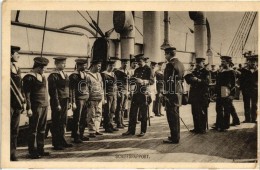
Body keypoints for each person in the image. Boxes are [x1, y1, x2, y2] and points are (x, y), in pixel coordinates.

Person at [23, 56, 50, 159]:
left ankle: (40, 149)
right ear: (39, 68)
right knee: (33, 129)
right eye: (44, 68)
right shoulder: (29, 78)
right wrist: (28, 108)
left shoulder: (42, 77)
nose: (45, 70)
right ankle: (32, 151)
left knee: (42, 128)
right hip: (35, 106)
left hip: (44, 105)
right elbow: (27, 95)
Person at [122, 54, 154, 137]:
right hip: (136, 93)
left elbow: (151, 81)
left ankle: (143, 131)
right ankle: (131, 130)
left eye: (139, 61)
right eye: (137, 61)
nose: (138, 63)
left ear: (143, 60)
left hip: (144, 93)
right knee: (132, 112)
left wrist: (143, 81)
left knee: (143, 113)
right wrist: (131, 80)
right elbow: (133, 81)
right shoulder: (137, 70)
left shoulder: (148, 69)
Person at [48, 57, 73, 150]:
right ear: (56, 64)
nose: (65, 65)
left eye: (65, 63)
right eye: (62, 63)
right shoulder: (53, 76)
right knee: (57, 122)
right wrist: (57, 103)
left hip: (65, 100)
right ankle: (56, 143)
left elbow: (68, 88)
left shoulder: (65, 74)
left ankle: (62, 140)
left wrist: (70, 101)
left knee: (63, 122)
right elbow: (53, 92)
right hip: (57, 101)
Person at [162, 47, 185, 144]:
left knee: (171, 116)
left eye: (165, 54)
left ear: (168, 54)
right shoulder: (180, 64)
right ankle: (176, 136)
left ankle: (174, 138)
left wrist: (166, 93)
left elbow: (169, 81)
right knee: (176, 114)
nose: (165, 56)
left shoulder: (170, 65)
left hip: (171, 93)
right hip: (178, 92)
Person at [185, 58, 210, 134]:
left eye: (199, 63)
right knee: (195, 111)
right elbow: (188, 80)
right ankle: (196, 127)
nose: (197, 64)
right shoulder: (194, 71)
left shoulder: (206, 72)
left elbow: (207, 82)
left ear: (203, 63)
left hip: (202, 95)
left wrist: (197, 80)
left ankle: (202, 128)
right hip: (194, 95)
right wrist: (188, 76)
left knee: (202, 111)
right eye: (197, 63)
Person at [10, 46, 25, 161]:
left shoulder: (17, 68)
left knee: (15, 129)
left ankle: (12, 153)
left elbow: (20, 86)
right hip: (8, 103)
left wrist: (22, 100)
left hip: (17, 102)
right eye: (16, 54)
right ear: (10, 55)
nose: (18, 55)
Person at [69, 58, 89, 143]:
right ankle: (76, 136)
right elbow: (72, 90)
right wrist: (73, 102)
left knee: (83, 118)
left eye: (85, 65)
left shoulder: (85, 74)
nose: (85, 67)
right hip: (78, 99)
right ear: (79, 66)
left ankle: (81, 134)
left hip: (85, 99)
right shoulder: (73, 76)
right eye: (83, 65)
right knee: (77, 118)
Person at [214, 56, 236, 132]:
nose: (222, 63)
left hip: (226, 91)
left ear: (228, 62)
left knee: (227, 109)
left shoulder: (231, 71)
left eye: (223, 61)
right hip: (220, 91)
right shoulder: (220, 71)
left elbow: (233, 84)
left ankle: (225, 125)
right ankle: (219, 124)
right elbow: (217, 83)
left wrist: (232, 95)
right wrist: (215, 92)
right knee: (218, 108)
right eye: (222, 61)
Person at [86, 59, 105, 138]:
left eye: (100, 66)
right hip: (92, 98)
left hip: (99, 98)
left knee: (98, 114)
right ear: (93, 65)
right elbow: (86, 88)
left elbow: (102, 86)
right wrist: (88, 99)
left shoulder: (99, 75)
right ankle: (91, 131)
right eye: (98, 66)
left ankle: (97, 129)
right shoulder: (88, 75)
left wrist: (103, 98)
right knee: (91, 115)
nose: (99, 68)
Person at [101, 59, 119, 133]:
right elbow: (103, 86)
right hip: (108, 94)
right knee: (107, 110)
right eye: (110, 65)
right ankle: (107, 126)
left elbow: (116, 84)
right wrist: (104, 96)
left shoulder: (113, 74)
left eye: (113, 66)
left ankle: (111, 124)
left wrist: (117, 92)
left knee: (113, 110)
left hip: (114, 94)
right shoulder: (104, 74)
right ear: (107, 66)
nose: (112, 67)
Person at [240, 54, 258, 123]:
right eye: (251, 61)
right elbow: (241, 80)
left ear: (256, 62)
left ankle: (254, 118)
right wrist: (242, 89)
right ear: (248, 62)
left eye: (254, 61)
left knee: (254, 104)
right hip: (246, 90)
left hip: (255, 90)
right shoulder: (244, 70)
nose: (252, 63)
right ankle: (247, 119)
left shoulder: (258, 70)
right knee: (246, 104)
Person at [114, 59, 129, 128]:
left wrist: (128, 91)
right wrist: (118, 91)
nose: (125, 64)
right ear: (121, 63)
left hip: (126, 90)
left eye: (126, 63)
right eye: (124, 63)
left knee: (123, 107)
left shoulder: (127, 71)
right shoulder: (117, 71)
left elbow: (127, 82)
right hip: (121, 90)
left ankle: (122, 121)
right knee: (119, 107)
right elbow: (116, 82)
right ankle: (118, 122)